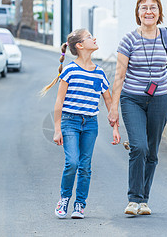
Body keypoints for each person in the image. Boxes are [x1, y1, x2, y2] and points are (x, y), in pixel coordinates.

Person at [108, 0, 167, 216]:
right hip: (133, 99)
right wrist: (113, 107)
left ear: (159, 13)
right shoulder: (128, 40)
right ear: (137, 13)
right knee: (139, 146)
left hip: (160, 99)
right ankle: (133, 199)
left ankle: (144, 200)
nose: (148, 11)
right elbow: (119, 76)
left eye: (153, 7)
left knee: (152, 152)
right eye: (143, 8)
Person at [41, 28, 120, 219]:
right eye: (89, 37)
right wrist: (57, 129)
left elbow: (109, 102)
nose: (94, 38)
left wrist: (115, 128)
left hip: (90, 124)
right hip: (70, 121)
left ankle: (80, 205)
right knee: (72, 162)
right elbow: (59, 102)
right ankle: (64, 199)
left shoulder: (100, 73)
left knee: (85, 166)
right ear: (80, 45)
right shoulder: (70, 70)